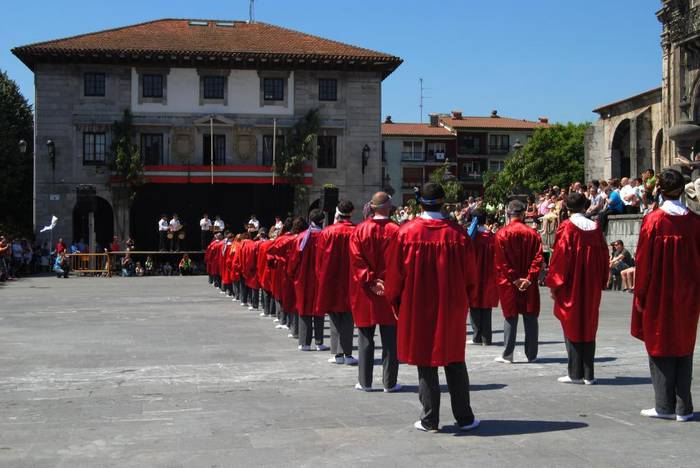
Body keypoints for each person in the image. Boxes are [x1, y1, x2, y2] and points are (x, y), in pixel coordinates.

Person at [385, 182, 480, 433]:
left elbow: (395, 276)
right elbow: (471, 277)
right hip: (451, 306)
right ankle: (464, 417)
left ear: (420, 203)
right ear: (443, 202)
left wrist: (396, 302)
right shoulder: (458, 235)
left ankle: (429, 419)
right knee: (455, 359)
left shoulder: (406, 233)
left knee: (426, 362)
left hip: (418, 307)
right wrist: (465, 301)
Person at [632, 169, 700, 422]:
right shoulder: (694, 222)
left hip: (660, 293)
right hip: (689, 294)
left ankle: (664, 405)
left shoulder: (653, 221)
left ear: (659, 189)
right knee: (684, 344)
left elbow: (644, 262)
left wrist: (640, 295)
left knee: (660, 345)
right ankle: (684, 407)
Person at [546, 192, 609, 385]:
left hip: (571, 284)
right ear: (585, 206)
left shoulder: (567, 227)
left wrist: (554, 284)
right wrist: (601, 280)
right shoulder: (596, 227)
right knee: (589, 323)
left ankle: (575, 373)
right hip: (591, 284)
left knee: (571, 322)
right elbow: (603, 257)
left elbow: (560, 257)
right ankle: (589, 374)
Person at [349, 191, 401, 391]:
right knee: (390, 339)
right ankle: (390, 382)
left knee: (365, 337)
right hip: (389, 290)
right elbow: (401, 263)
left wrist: (370, 280)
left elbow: (356, 260)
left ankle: (365, 381)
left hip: (366, 292)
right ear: (388, 207)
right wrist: (385, 281)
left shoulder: (360, 230)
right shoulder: (397, 230)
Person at [494, 199, 543, 364]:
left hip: (509, 283)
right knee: (530, 316)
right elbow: (538, 259)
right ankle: (531, 354)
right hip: (528, 283)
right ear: (523, 214)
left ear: (509, 213)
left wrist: (515, 279)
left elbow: (501, 261)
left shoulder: (501, 234)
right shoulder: (533, 234)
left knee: (510, 316)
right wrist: (529, 278)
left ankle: (508, 354)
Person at [315, 200, 357, 364]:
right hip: (351, 279)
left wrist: (321, 278)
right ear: (352, 212)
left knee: (333, 315)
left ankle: (337, 353)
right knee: (348, 316)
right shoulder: (357, 231)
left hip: (331, 278)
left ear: (338, 212)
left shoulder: (327, 232)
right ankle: (347, 352)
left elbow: (320, 259)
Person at [288, 209, 326, 351]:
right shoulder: (325, 236)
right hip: (320, 278)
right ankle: (319, 341)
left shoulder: (302, 237)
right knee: (318, 308)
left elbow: (293, 260)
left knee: (304, 308)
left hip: (303, 279)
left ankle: (304, 342)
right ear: (322, 221)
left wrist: (292, 274)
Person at [468, 208, 499, 346]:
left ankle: (477, 337)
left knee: (474, 305)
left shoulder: (472, 239)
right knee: (486, 307)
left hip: (474, 275)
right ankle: (487, 337)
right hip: (490, 276)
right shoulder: (493, 237)